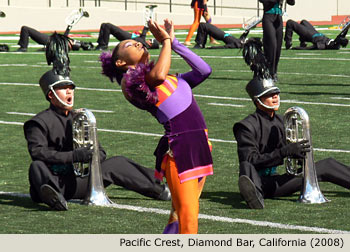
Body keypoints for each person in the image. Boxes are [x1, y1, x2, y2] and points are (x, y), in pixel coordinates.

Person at [23, 34, 171, 211]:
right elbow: (38, 154)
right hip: (54, 181)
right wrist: (74, 156)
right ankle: (53, 198)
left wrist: (94, 155)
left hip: (79, 182)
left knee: (117, 163)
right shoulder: (38, 122)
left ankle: (161, 189)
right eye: (63, 89)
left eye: (71, 88)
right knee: (36, 167)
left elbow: (100, 151)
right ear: (50, 94)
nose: (69, 92)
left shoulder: (79, 117)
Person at [99, 19, 213, 234]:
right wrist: (166, 41)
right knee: (188, 214)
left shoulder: (173, 79)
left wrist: (175, 43)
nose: (138, 43)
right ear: (121, 63)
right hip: (180, 149)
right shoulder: (130, 81)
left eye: (138, 42)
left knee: (181, 214)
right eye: (129, 45)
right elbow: (158, 76)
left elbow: (204, 70)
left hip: (199, 144)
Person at [232, 76, 350, 209]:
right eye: (269, 95)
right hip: (260, 180)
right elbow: (250, 160)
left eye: (276, 93)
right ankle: (253, 192)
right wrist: (284, 152)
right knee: (246, 168)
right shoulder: (246, 126)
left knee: (327, 164)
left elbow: (287, 151)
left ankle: (254, 193)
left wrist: (298, 153)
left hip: (277, 179)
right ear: (258, 100)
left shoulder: (280, 120)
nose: (275, 97)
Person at [259, 0, 295, 81]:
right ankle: (268, 72)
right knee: (272, 46)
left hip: (278, 18)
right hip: (268, 17)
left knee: (278, 47)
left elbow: (292, 2)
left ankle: (274, 72)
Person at [16, 25, 93, 52]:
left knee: (25, 28)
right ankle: (23, 47)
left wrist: (69, 28)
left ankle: (23, 47)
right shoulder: (72, 44)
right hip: (49, 39)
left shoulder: (68, 45)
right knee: (25, 29)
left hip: (48, 40)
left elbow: (64, 39)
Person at [284, 19, 349, 50]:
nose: (339, 37)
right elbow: (342, 33)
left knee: (290, 23)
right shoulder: (336, 42)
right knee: (303, 22)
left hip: (310, 35)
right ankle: (302, 42)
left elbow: (310, 48)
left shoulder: (326, 45)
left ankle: (288, 44)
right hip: (315, 32)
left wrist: (295, 48)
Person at [94, 23, 159, 51]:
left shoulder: (144, 45)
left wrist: (146, 27)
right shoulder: (143, 41)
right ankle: (101, 44)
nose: (149, 40)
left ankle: (103, 45)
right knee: (104, 25)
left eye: (150, 40)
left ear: (151, 44)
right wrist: (146, 26)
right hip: (126, 35)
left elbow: (143, 35)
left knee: (108, 26)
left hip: (125, 37)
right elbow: (143, 35)